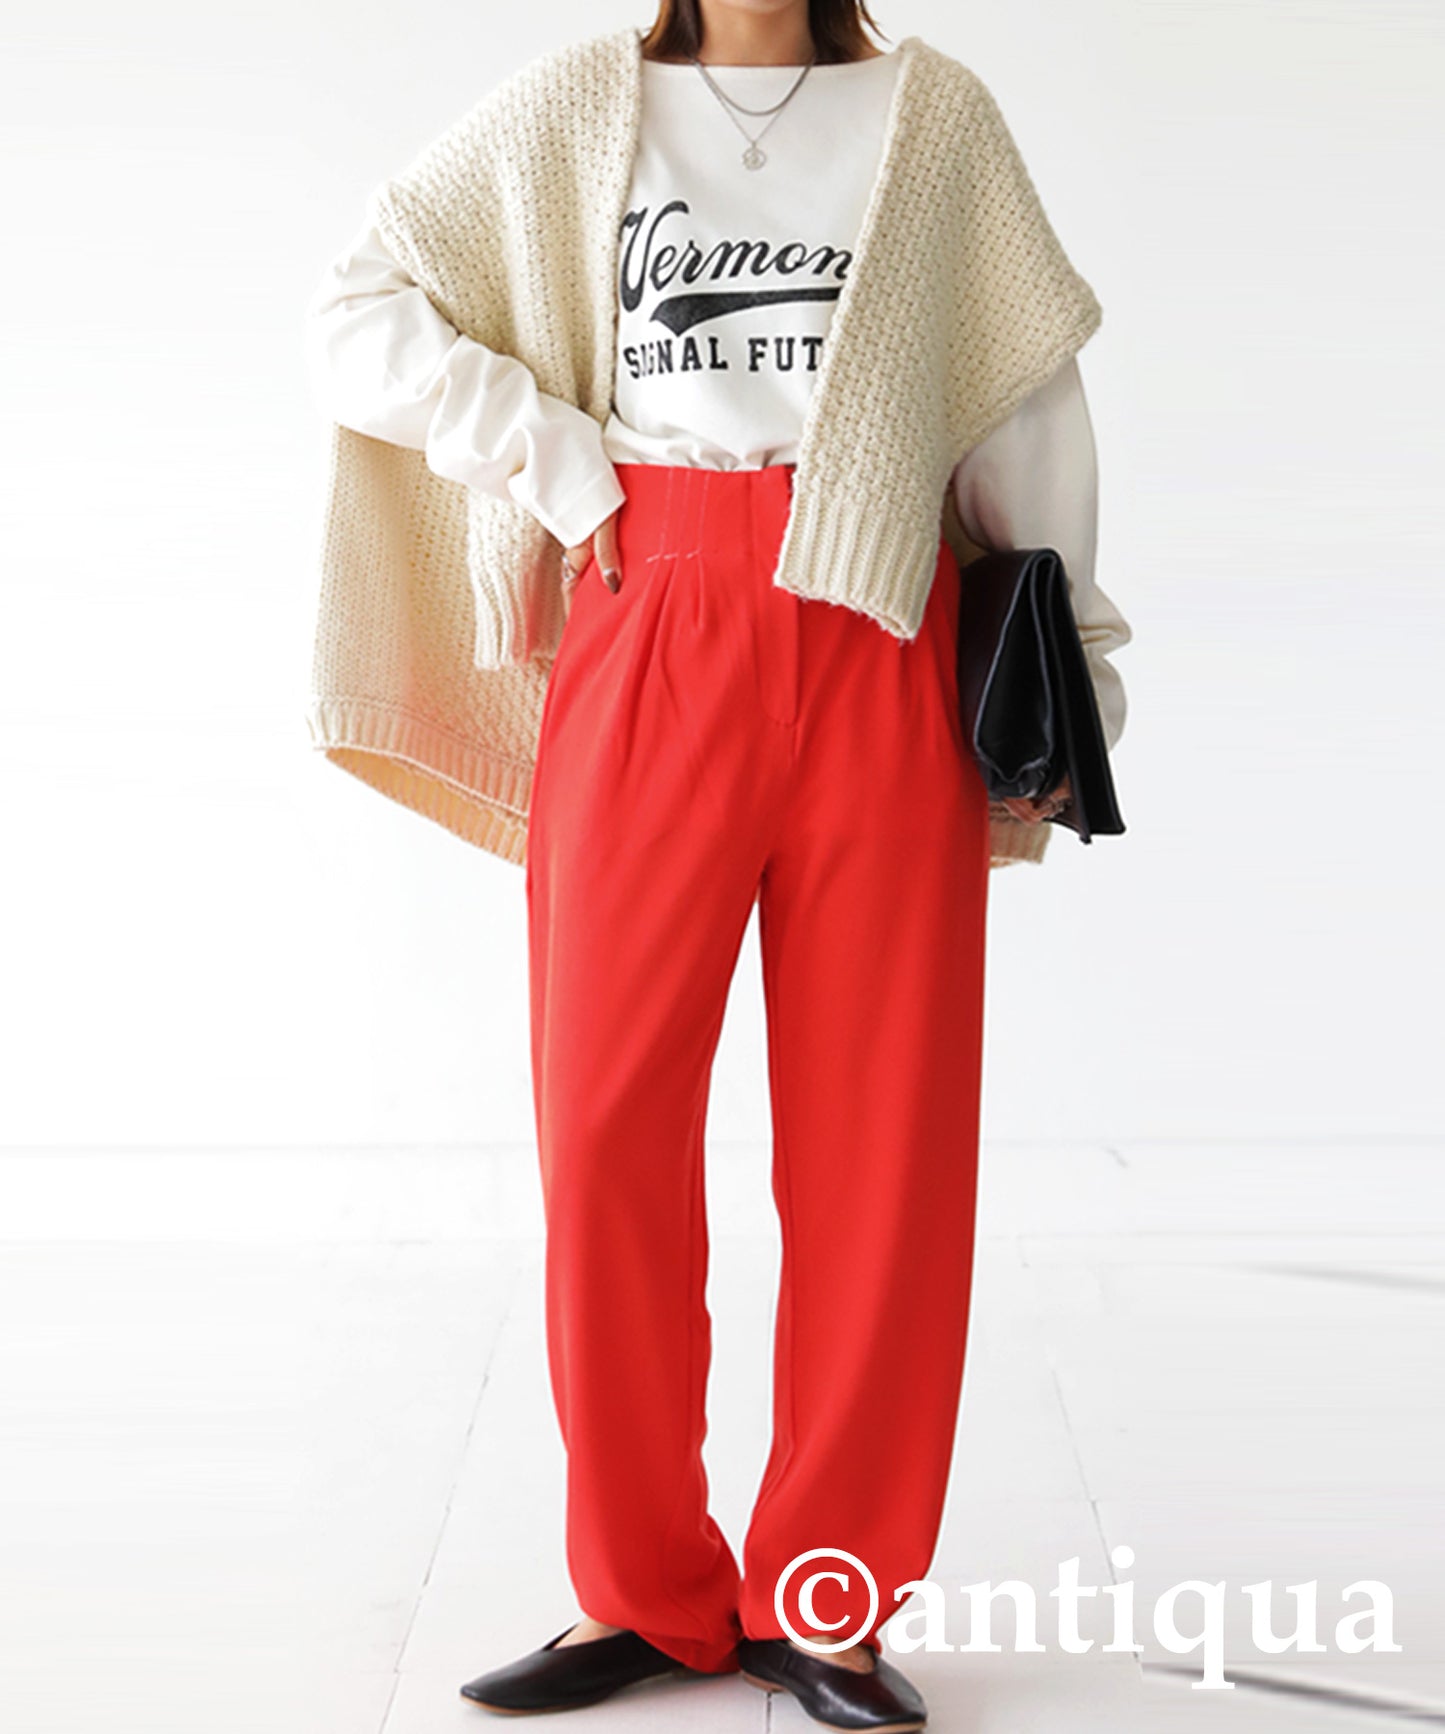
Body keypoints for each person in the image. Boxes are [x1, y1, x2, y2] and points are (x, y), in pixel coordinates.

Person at [303, 3, 1131, 1728]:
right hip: (646, 607)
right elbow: (359, 305)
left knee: (882, 1145)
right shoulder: (571, 107)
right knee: (604, 1120)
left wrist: (1081, 670)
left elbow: (1022, 406)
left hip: (882, 631)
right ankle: (641, 1589)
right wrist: (548, 451)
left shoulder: (935, 120)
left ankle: (825, 1600)